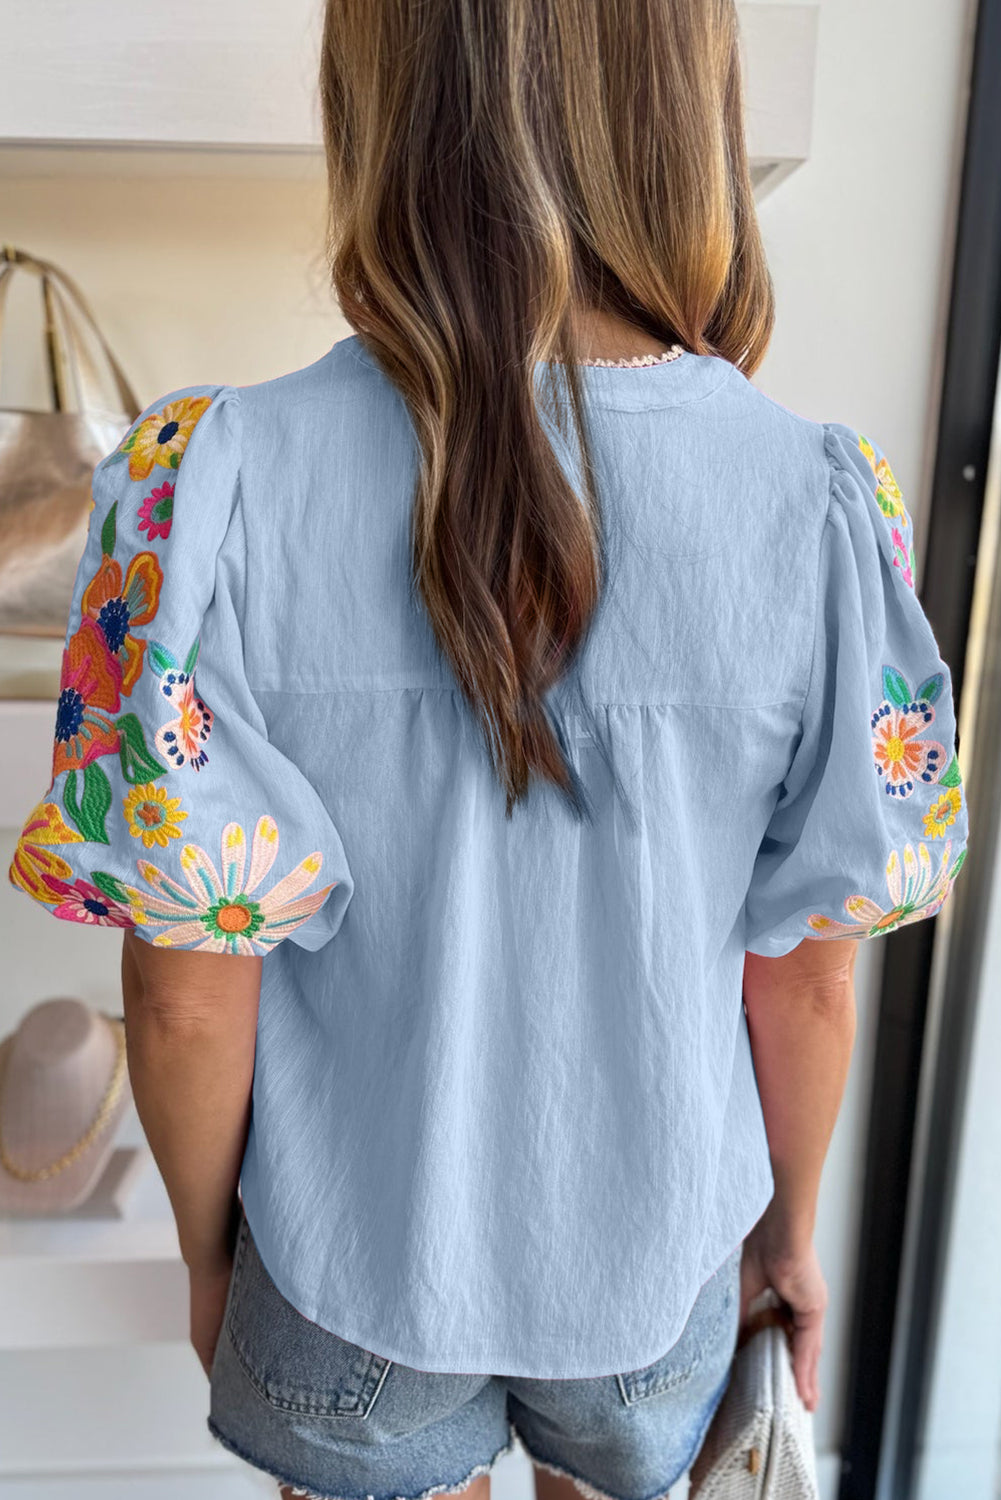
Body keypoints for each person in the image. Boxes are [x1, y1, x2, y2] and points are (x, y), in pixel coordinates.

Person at [8, 0, 970, 1497]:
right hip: (652, 1280)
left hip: (345, 1277)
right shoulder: (819, 504)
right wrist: (787, 1234)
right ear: (687, 117)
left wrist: (210, 1255)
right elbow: (810, 973)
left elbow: (185, 992)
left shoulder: (209, 483)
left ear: (376, 104)